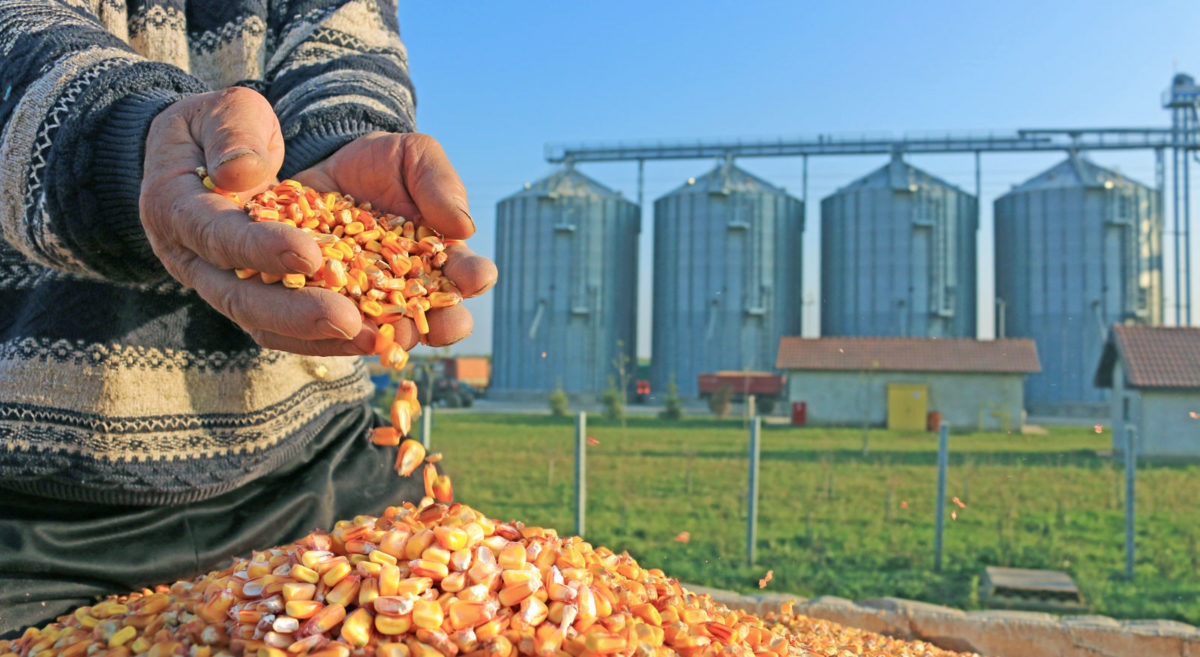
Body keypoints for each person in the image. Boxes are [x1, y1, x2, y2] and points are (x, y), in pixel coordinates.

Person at [0, 1, 496, 634]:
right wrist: (131, 140)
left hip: (313, 461)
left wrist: (343, 141)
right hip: (34, 508)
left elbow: (343, 45)